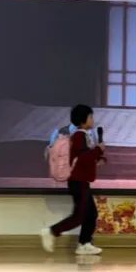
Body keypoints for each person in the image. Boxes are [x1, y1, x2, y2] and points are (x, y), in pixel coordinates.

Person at [41, 104, 105, 256]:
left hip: (82, 181)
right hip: (78, 182)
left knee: (91, 214)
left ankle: (84, 244)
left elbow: (83, 157)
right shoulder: (79, 136)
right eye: (90, 117)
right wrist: (98, 149)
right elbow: (82, 158)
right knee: (79, 216)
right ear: (83, 120)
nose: (93, 119)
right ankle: (51, 231)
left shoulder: (83, 136)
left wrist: (98, 157)